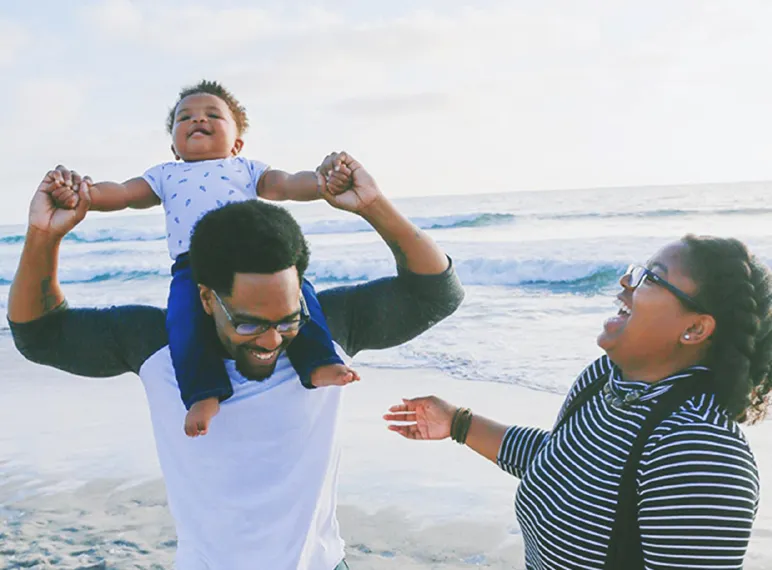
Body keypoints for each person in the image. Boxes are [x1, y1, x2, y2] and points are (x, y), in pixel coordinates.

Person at [8, 152, 465, 570]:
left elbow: (437, 293)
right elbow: (40, 335)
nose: (271, 339)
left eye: (287, 320)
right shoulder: (157, 343)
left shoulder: (325, 332)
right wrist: (44, 237)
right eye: (248, 323)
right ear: (206, 298)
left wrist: (373, 205)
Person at [385, 238, 772, 569]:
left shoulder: (699, 452)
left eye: (651, 278)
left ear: (694, 329)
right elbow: (566, 464)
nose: (626, 282)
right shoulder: (604, 379)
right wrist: (457, 423)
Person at [50, 79, 358, 437]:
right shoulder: (165, 174)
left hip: (253, 257)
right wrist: (81, 193)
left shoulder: (247, 168)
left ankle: (319, 363)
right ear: (174, 146)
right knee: (183, 321)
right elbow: (121, 194)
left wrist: (324, 183)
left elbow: (288, 184)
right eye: (185, 118)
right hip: (192, 264)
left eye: (213, 115)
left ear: (237, 143)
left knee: (300, 296)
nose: (198, 120)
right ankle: (203, 393)